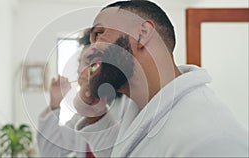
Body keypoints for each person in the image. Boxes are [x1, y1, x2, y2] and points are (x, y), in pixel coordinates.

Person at [73, 0, 248, 157]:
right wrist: (94, 112)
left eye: (99, 34)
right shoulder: (144, 108)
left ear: (142, 34)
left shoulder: (213, 140)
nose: (90, 50)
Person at [36, 29, 131, 157]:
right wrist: (54, 103)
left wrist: (95, 115)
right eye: (79, 62)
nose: (79, 70)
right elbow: (51, 152)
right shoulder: (82, 115)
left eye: (88, 61)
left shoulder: (130, 106)